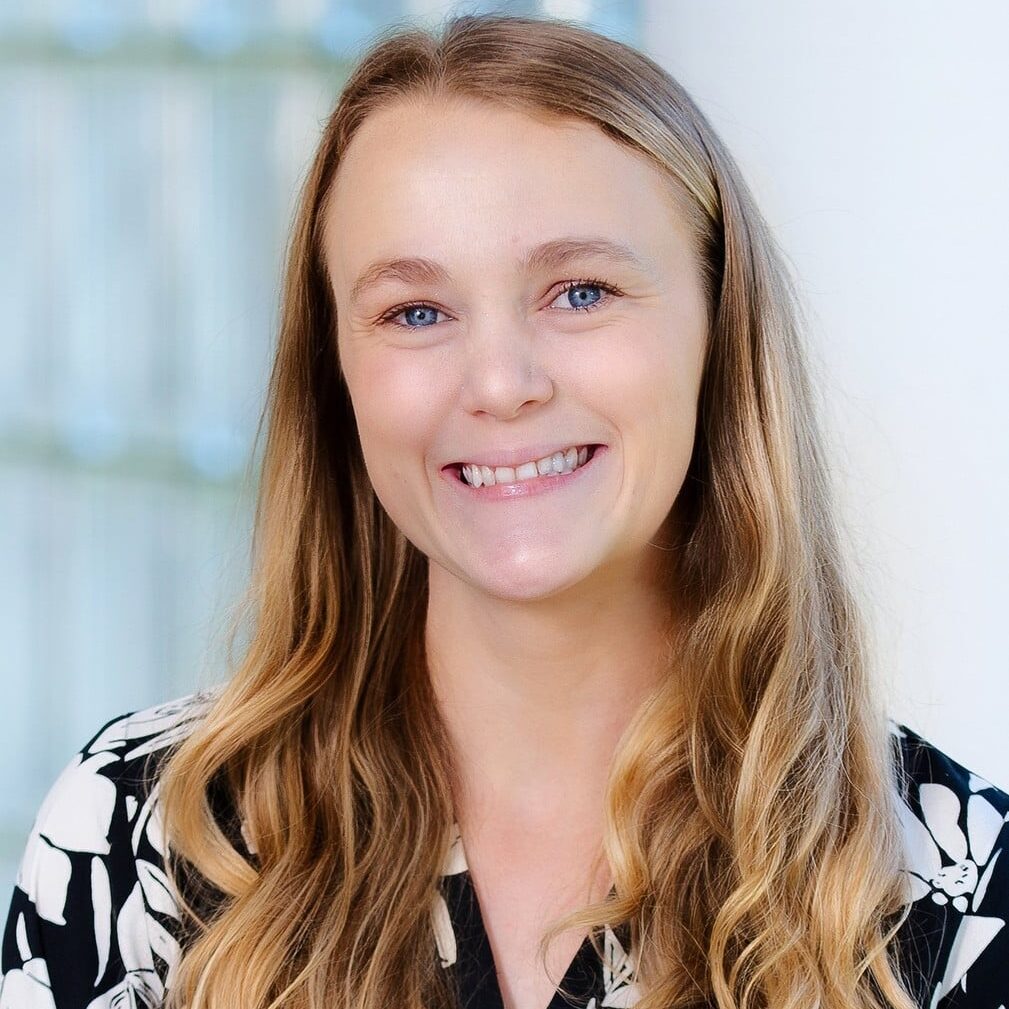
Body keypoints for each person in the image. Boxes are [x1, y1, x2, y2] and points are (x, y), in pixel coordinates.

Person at [1, 12, 1006, 1009]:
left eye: (579, 291)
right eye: (415, 312)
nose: (499, 381)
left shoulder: (963, 894)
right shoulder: (145, 838)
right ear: (336, 376)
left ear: (718, 330)